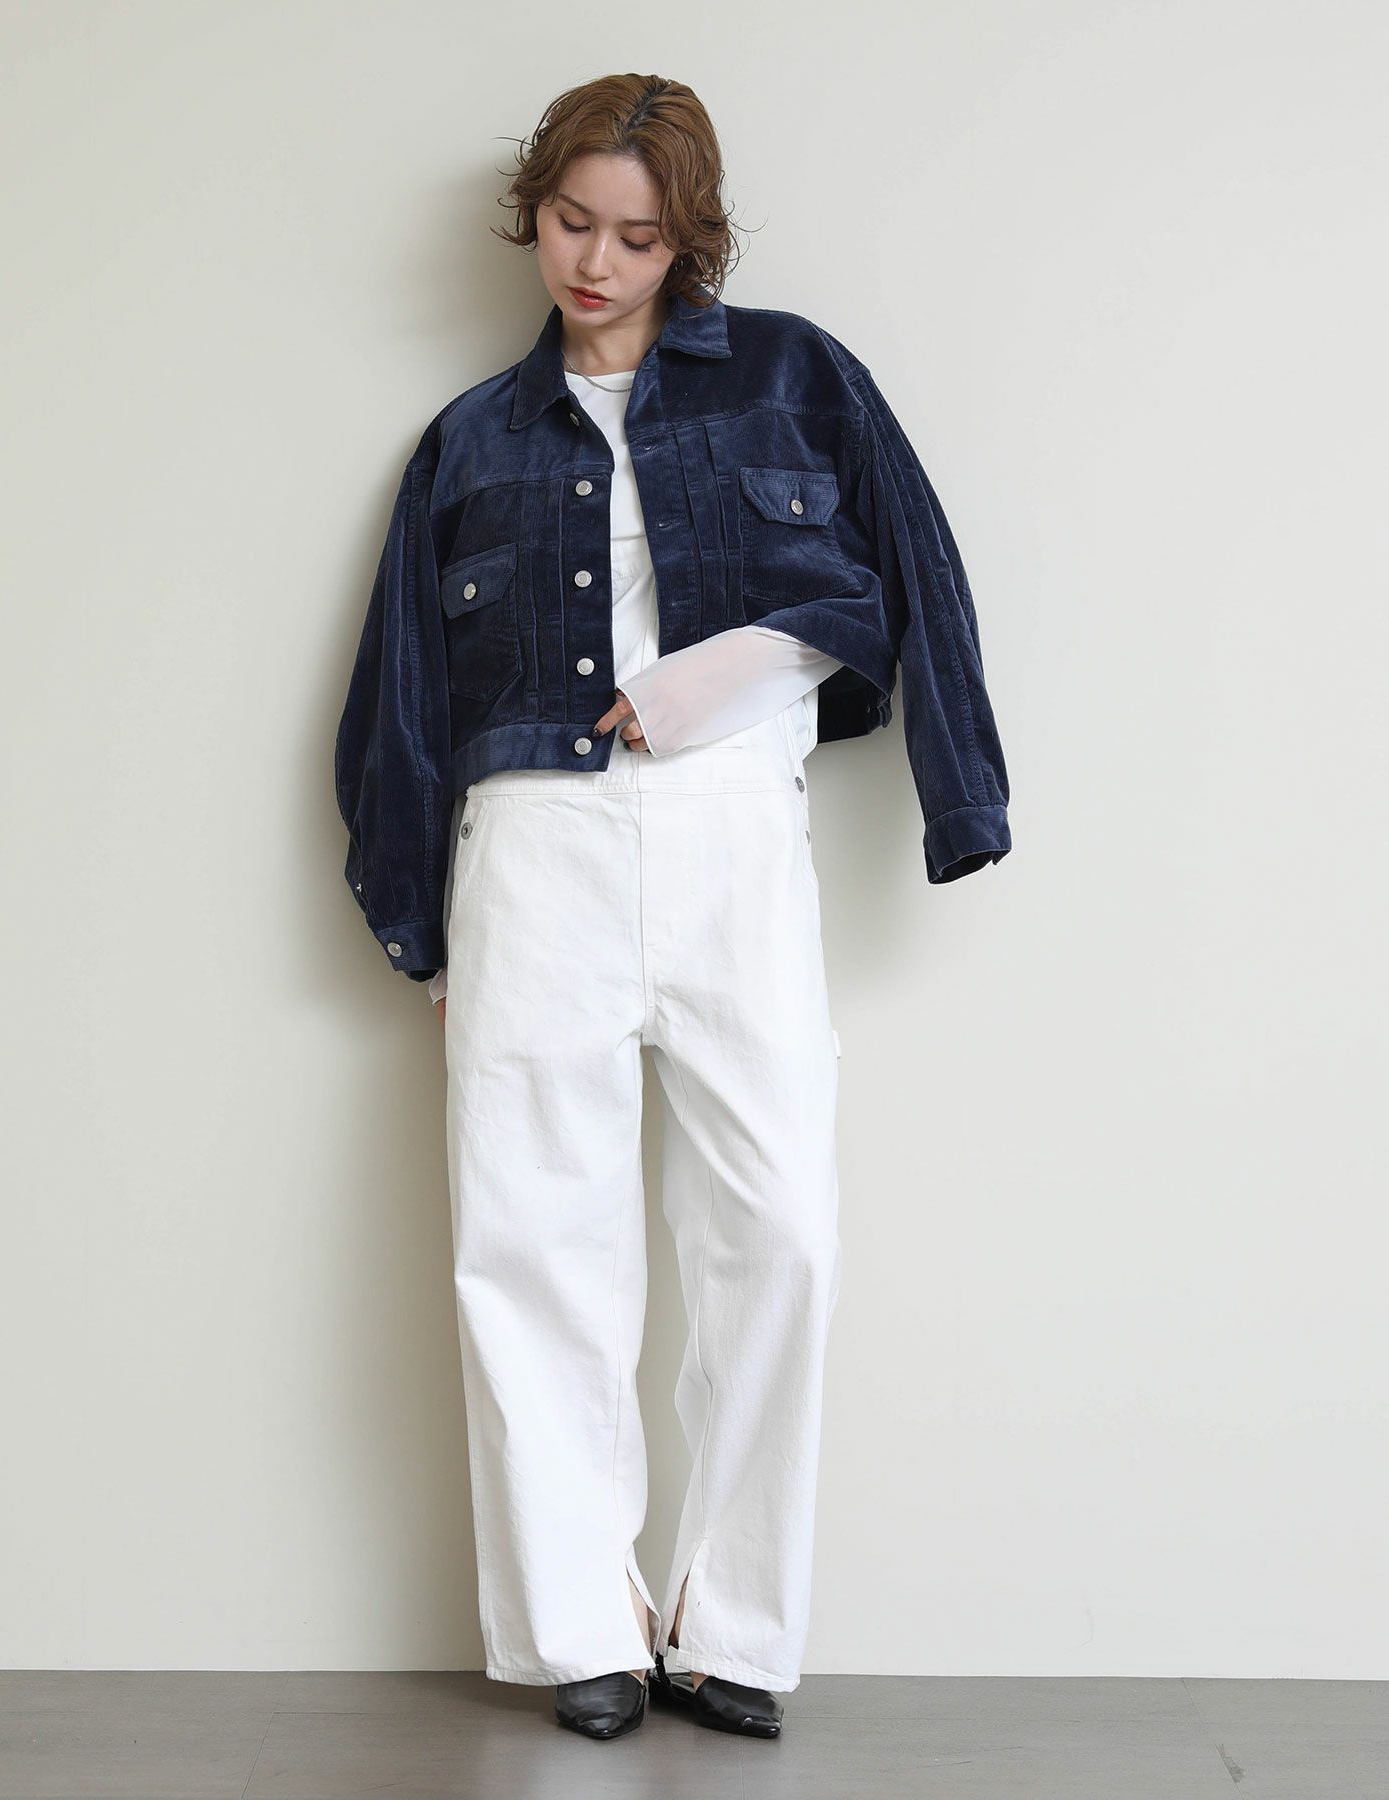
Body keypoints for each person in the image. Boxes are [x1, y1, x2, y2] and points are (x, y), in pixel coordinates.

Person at [333, 74, 1012, 1744]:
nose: (597, 262)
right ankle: (581, 1622)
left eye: (637, 237)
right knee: (533, 1244)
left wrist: (776, 695)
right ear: (535, 211)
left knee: (778, 1231)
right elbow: (398, 698)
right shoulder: (468, 440)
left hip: (731, 839)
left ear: (687, 239)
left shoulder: (797, 376)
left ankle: (734, 1627)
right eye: (574, 223)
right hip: (532, 851)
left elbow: (906, 580)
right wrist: (422, 924)